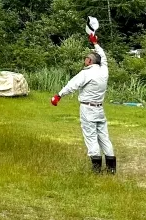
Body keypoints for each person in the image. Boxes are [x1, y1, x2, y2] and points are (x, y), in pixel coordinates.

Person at [50, 16, 116, 174]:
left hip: (88, 109)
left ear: (91, 61)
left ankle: (96, 170)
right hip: (100, 108)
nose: (85, 60)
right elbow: (104, 57)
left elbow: (72, 85)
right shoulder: (103, 70)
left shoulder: (87, 73)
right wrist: (95, 42)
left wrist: (58, 96)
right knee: (104, 137)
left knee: (91, 137)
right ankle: (112, 168)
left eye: (87, 58)